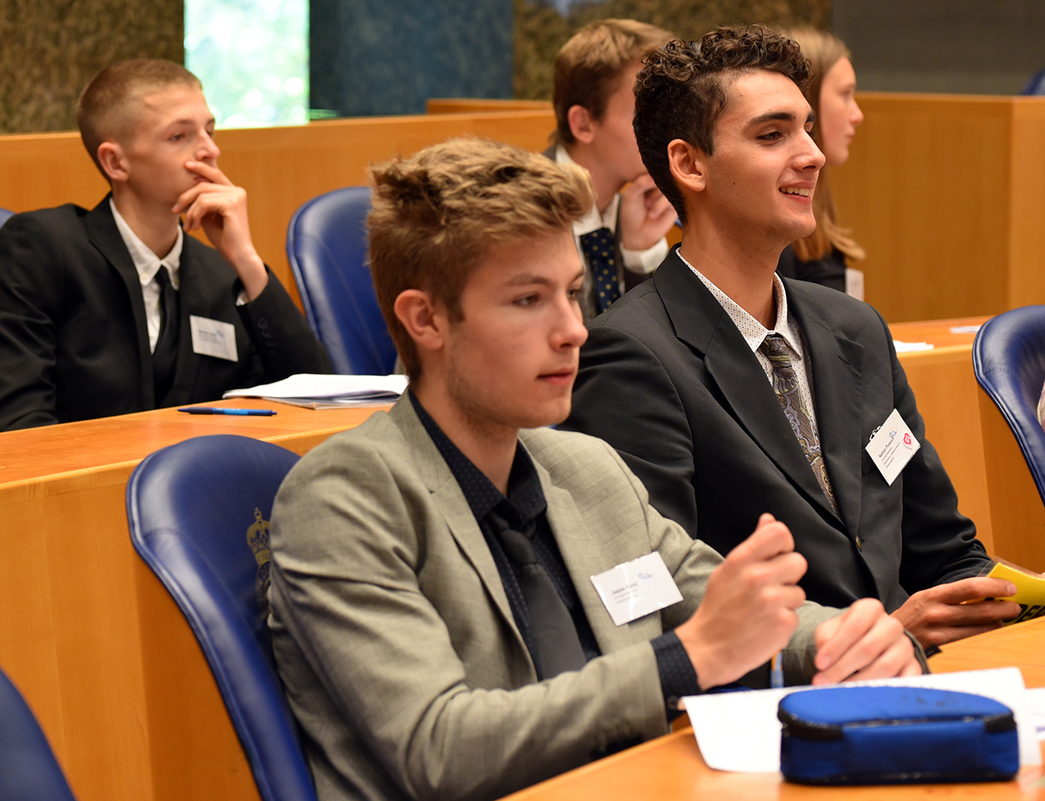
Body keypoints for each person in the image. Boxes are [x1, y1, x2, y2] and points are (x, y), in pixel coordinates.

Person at [267, 136, 921, 801]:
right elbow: (440, 748)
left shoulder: (585, 468)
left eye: (574, 292)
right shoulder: (346, 495)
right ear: (426, 318)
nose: (573, 328)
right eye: (528, 300)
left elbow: (723, 602)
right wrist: (685, 658)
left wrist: (852, 638)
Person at [565, 25, 1020, 650]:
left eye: (807, 128)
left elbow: (944, 552)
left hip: (910, 678)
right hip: (768, 707)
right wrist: (881, 635)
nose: (812, 154)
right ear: (688, 163)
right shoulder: (630, 356)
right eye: (773, 135)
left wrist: (999, 601)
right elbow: (660, 606)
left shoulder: (855, 328)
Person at [0, 59, 332, 435]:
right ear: (115, 161)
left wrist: (246, 262)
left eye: (210, 131)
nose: (209, 152)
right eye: (179, 137)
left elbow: (318, 402)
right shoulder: (44, 247)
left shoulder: (220, 274)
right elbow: (11, 426)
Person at [548, 19, 678, 319]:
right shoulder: (519, 214)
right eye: (645, 111)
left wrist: (639, 259)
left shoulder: (638, 204)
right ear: (582, 124)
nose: (669, 127)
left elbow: (646, 350)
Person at [776, 28, 866, 296]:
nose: (857, 115)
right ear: (808, 99)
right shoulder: (774, 225)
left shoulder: (818, 204)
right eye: (845, 94)